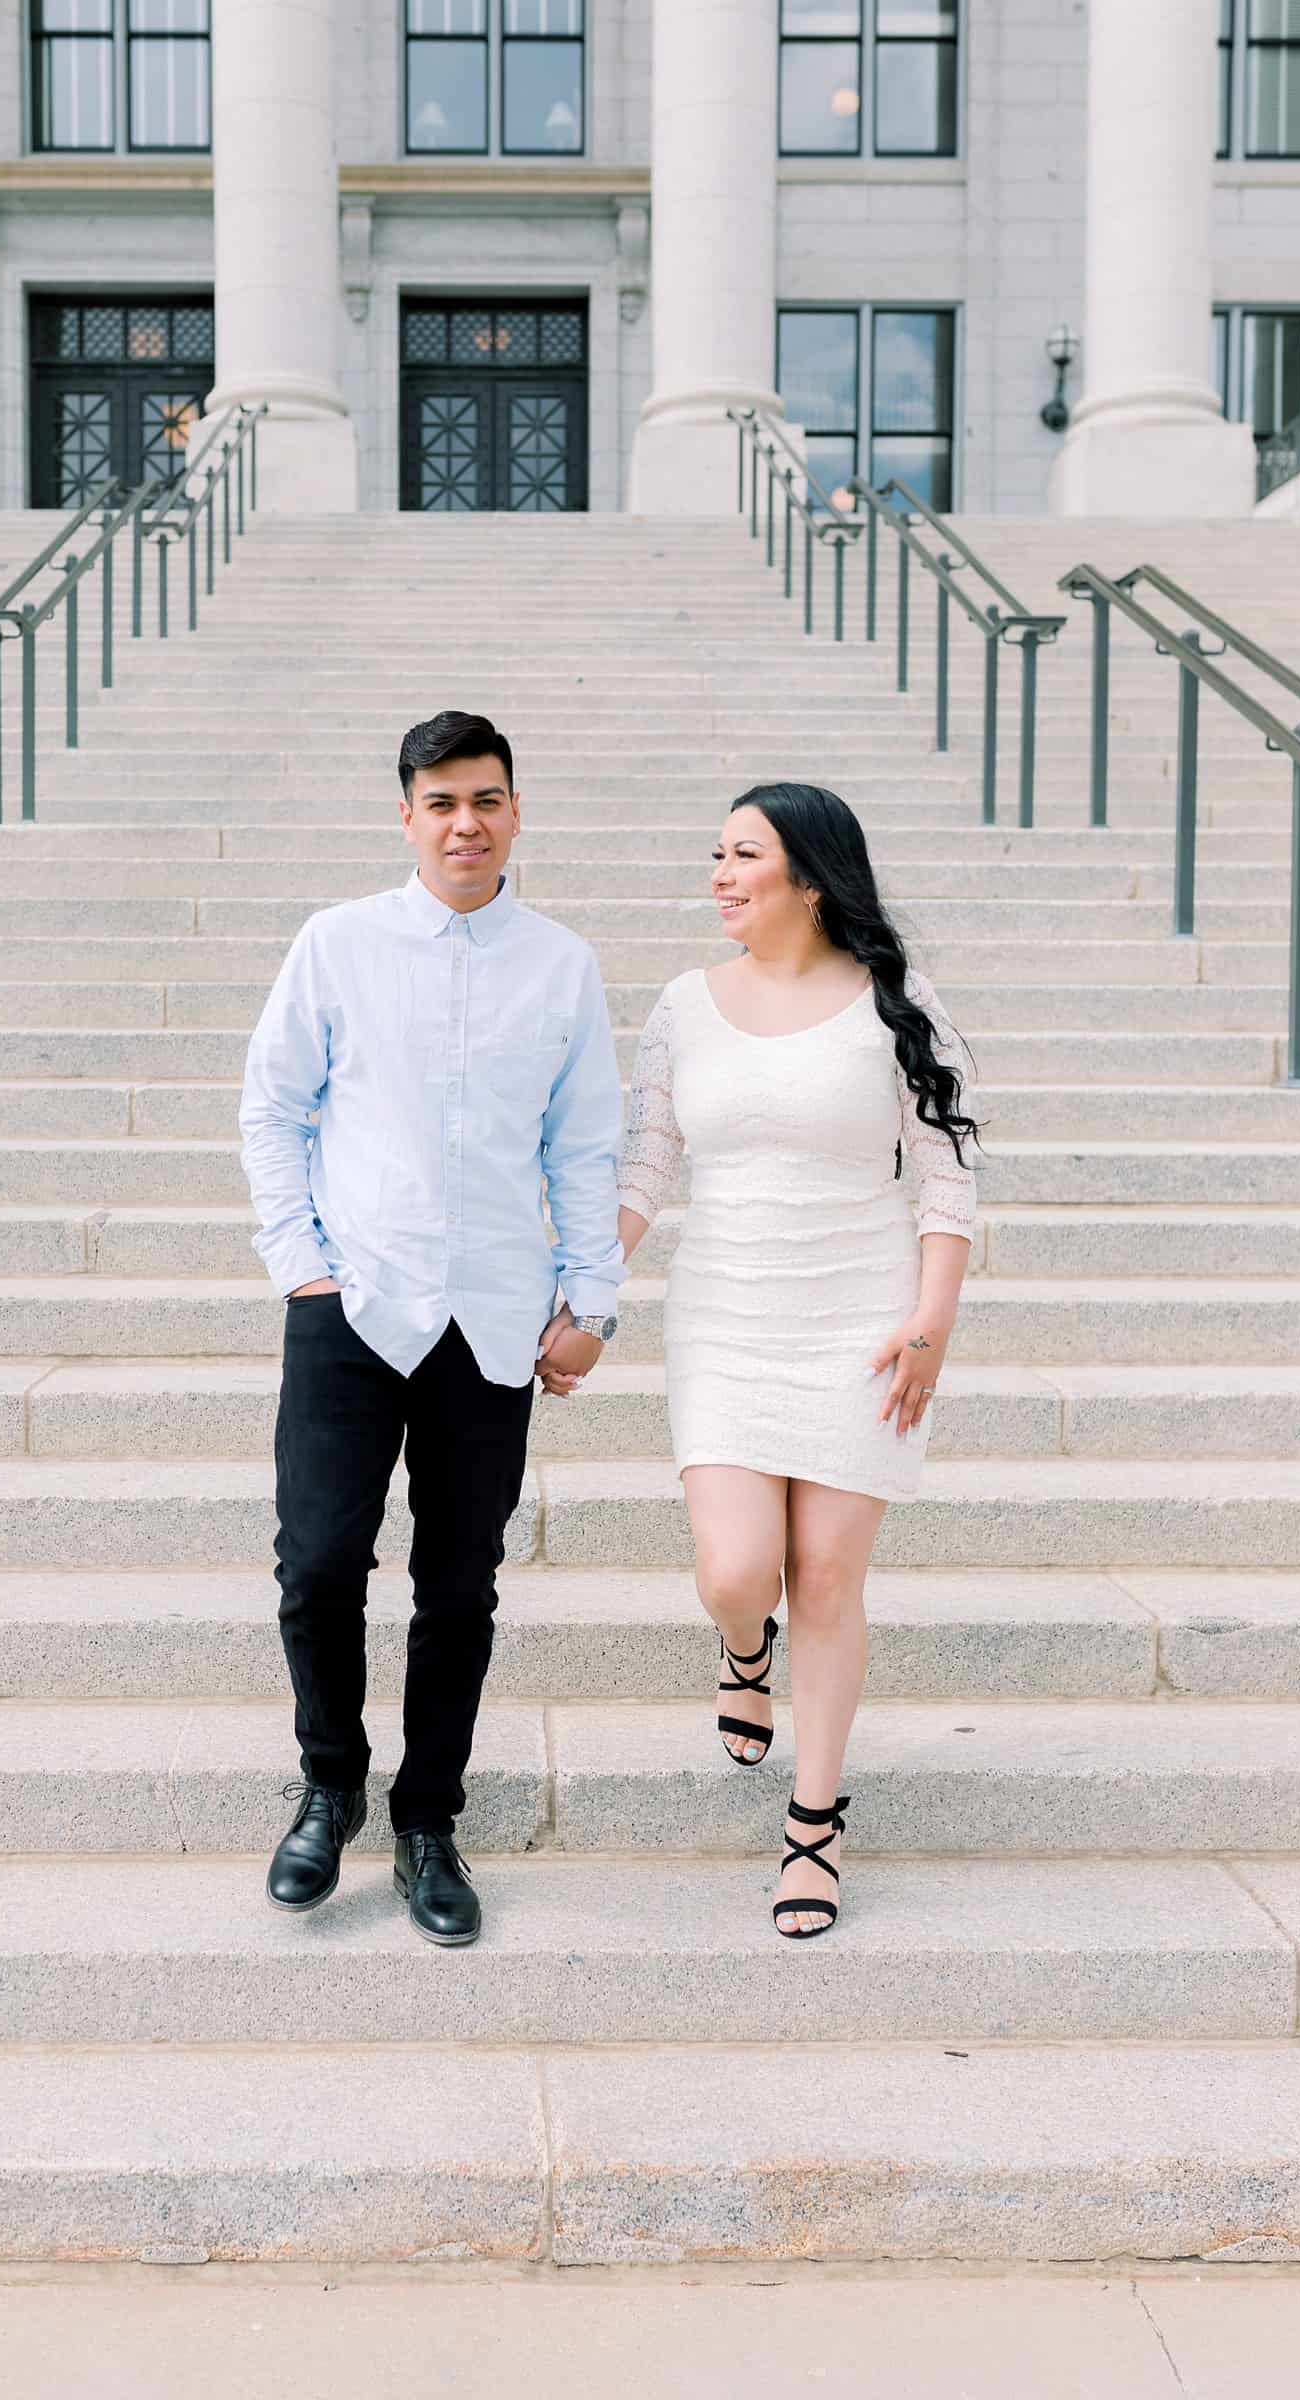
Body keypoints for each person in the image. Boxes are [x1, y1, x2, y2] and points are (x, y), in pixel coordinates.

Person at [239, 709, 624, 1947]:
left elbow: (586, 1145)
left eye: (489, 800)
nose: (468, 823)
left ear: (517, 813)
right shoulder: (337, 944)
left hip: (493, 1317)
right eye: (443, 801)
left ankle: (427, 1821)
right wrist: (302, 1269)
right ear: (405, 814)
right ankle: (329, 1782)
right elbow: (272, 1108)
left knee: (458, 1587)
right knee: (316, 1566)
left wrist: (592, 1299)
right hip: (353, 1302)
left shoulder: (560, 964)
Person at [616, 782, 978, 1940]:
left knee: (825, 1573)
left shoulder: (894, 1001)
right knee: (737, 1570)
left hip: (860, 1318)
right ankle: (740, 1647)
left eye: (744, 856)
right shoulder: (684, 1004)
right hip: (724, 1314)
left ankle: (812, 1828)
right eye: (715, 853)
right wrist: (578, 1285)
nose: (720, 875)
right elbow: (645, 1166)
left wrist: (930, 1325)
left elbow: (949, 1175)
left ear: (809, 878)